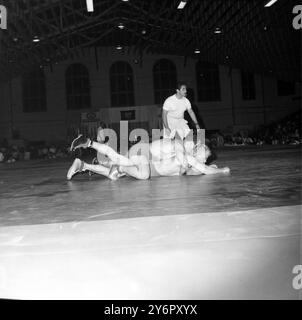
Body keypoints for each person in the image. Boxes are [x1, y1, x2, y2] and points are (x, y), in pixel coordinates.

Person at [67, 134, 230, 181]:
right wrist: (220, 170)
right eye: (204, 158)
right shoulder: (183, 149)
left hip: (147, 161)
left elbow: (196, 171)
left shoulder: (189, 158)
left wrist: (210, 169)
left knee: (113, 172)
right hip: (143, 153)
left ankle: (83, 164)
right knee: (135, 171)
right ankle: (88, 143)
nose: (203, 161)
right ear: (197, 149)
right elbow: (200, 167)